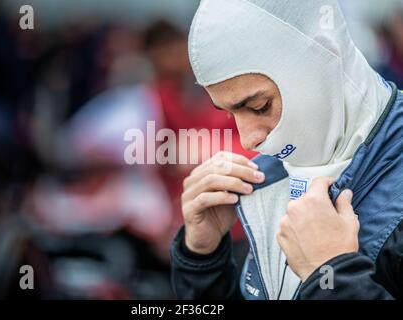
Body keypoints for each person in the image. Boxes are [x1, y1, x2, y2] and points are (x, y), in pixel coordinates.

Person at [170, 0, 403, 300]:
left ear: (324, 53)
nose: (248, 140)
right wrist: (202, 259)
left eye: (259, 106)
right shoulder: (266, 177)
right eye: (230, 113)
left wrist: (332, 275)